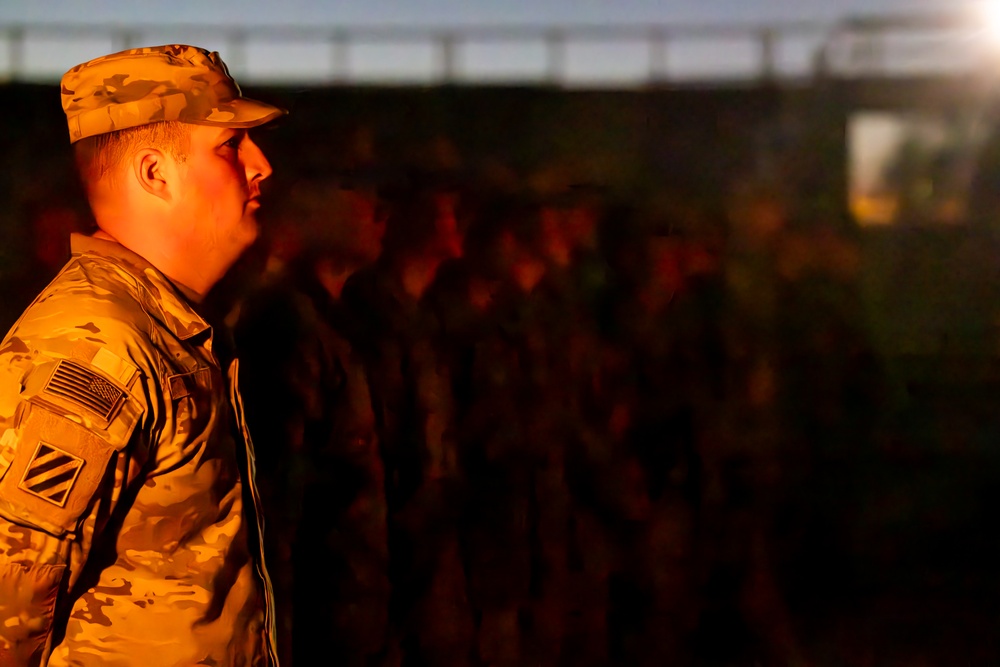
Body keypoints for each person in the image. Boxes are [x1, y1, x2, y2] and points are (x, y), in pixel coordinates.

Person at [0, 44, 284, 666]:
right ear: (155, 173)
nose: (261, 166)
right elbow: (8, 606)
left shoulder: (168, 326)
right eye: (230, 146)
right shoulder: (98, 345)